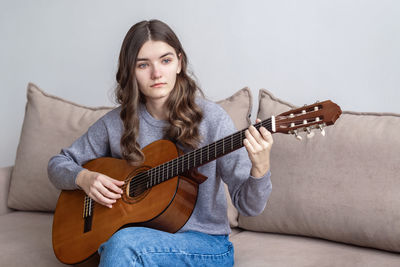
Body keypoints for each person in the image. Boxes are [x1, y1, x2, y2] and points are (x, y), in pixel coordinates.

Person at [48, 19, 273, 267]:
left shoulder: (212, 120)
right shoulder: (116, 123)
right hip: (138, 240)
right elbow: (57, 164)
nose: (156, 74)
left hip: (206, 246)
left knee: (123, 244)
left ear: (179, 63)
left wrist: (260, 168)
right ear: (129, 71)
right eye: (143, 65)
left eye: (165, 61)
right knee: (122, 243)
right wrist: (84, 178)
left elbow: (249, 206)